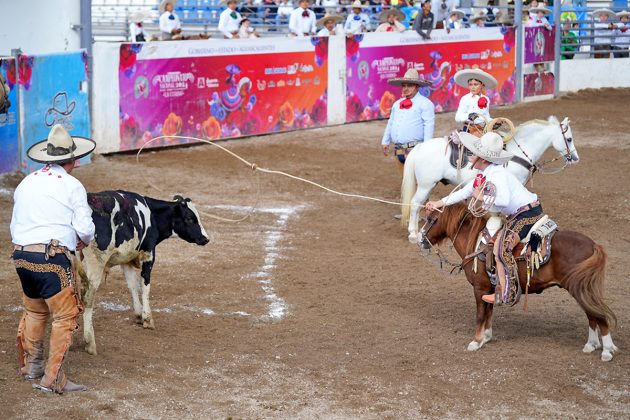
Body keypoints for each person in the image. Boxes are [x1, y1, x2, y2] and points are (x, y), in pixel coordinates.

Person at [11, 124, 96, 393]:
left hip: (22, 256)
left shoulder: (27, 182)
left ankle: (32, 366)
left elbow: (15, 225)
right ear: (74, 159)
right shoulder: (73, 186)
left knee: (35, 310)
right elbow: (85, 228)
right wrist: (83, 240)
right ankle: (53, 377)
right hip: (52, 258)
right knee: (65, 316)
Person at [426, 131, 543, 306]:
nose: (471, 156)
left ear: (484, 159)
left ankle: (506, 291)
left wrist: (480, 197)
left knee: (501, 248)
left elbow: (503, 200)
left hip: (527, 214)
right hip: (519, 212)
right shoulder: (487, 172)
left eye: (474, 154)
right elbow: (465, 192)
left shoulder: (497, 175)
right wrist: (440, 203)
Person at [381, 68, 435, 172]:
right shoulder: (397, 104)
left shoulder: (425, 104)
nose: (405, 88)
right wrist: (385, 141)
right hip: (399, 150)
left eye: (409, 85)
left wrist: (426, 149)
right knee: (405, 181)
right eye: (404, 85)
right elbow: (391, 122)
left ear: (417, 87)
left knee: (417, 180)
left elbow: (428, 126)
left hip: (415, 149)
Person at [453, 68, 496, 135]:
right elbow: (458, 117)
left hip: (483, 129)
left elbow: (485, 116)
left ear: (482, 85)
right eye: (470, 84)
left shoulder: (486, 99)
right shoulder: (465, 99)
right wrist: (468, 116)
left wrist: (494, 121)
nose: (473, 87)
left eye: (476, 84)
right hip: (470, 129)